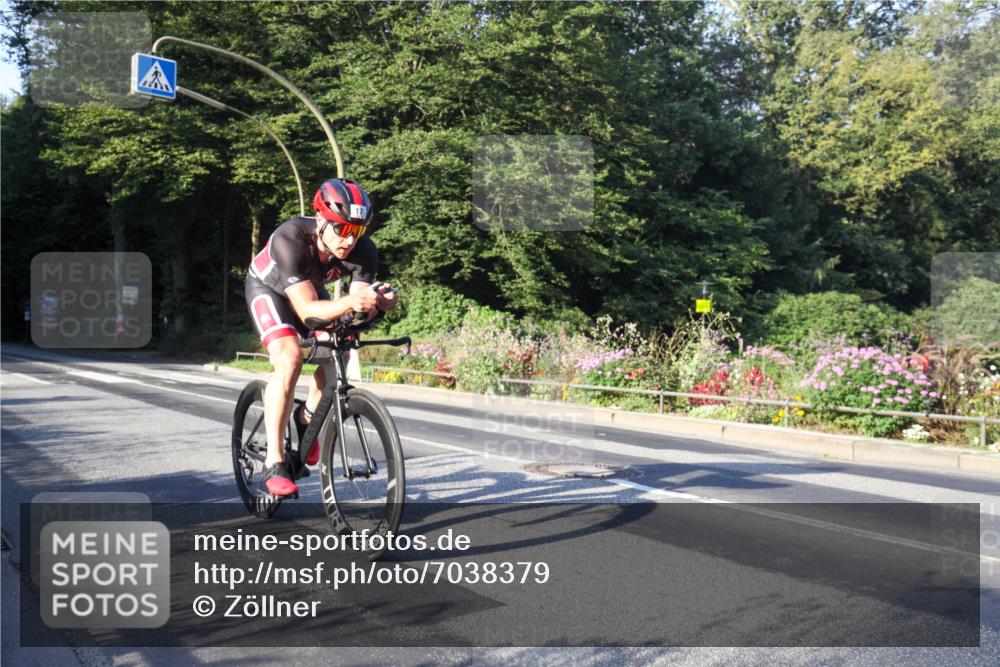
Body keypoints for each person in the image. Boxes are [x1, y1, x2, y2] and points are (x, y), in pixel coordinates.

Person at [245, 178, 398, 496]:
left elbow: (355, 311)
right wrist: (352, 303)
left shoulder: (363, 251)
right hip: (269, 290)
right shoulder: (291, 238)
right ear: (320, 221)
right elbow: (307, 311)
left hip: (309, 291)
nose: (348, 240)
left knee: (338, 350)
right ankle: (275, 460)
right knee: (289, 358)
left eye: (356, 231)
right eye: (341, 229)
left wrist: (379, 305)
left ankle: (306, 420)